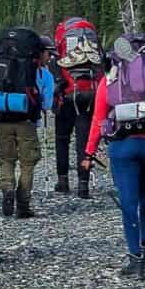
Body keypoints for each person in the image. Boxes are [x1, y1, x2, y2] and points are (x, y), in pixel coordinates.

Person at [82, 33, 145, 279]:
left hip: (124, 146)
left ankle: (135, 259)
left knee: (128, 201)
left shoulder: (112, 79)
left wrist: (88, 153)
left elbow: (98, 119)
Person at [0, 28, 50, 219]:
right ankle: (23, 204)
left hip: (3, 115)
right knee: (28, 162)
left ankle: (7, 189)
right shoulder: (37, 69)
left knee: (6, 158)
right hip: (26, 119)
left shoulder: (4, 57)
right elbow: (45, 101)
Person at [53, 17, 104, 198]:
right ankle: (83, 184)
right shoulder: (90, 38)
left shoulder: (62, 37)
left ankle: (63, 180)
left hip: (68, 93)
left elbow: (56, 67)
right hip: (90, 93)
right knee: (84, 142)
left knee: (62, 138)